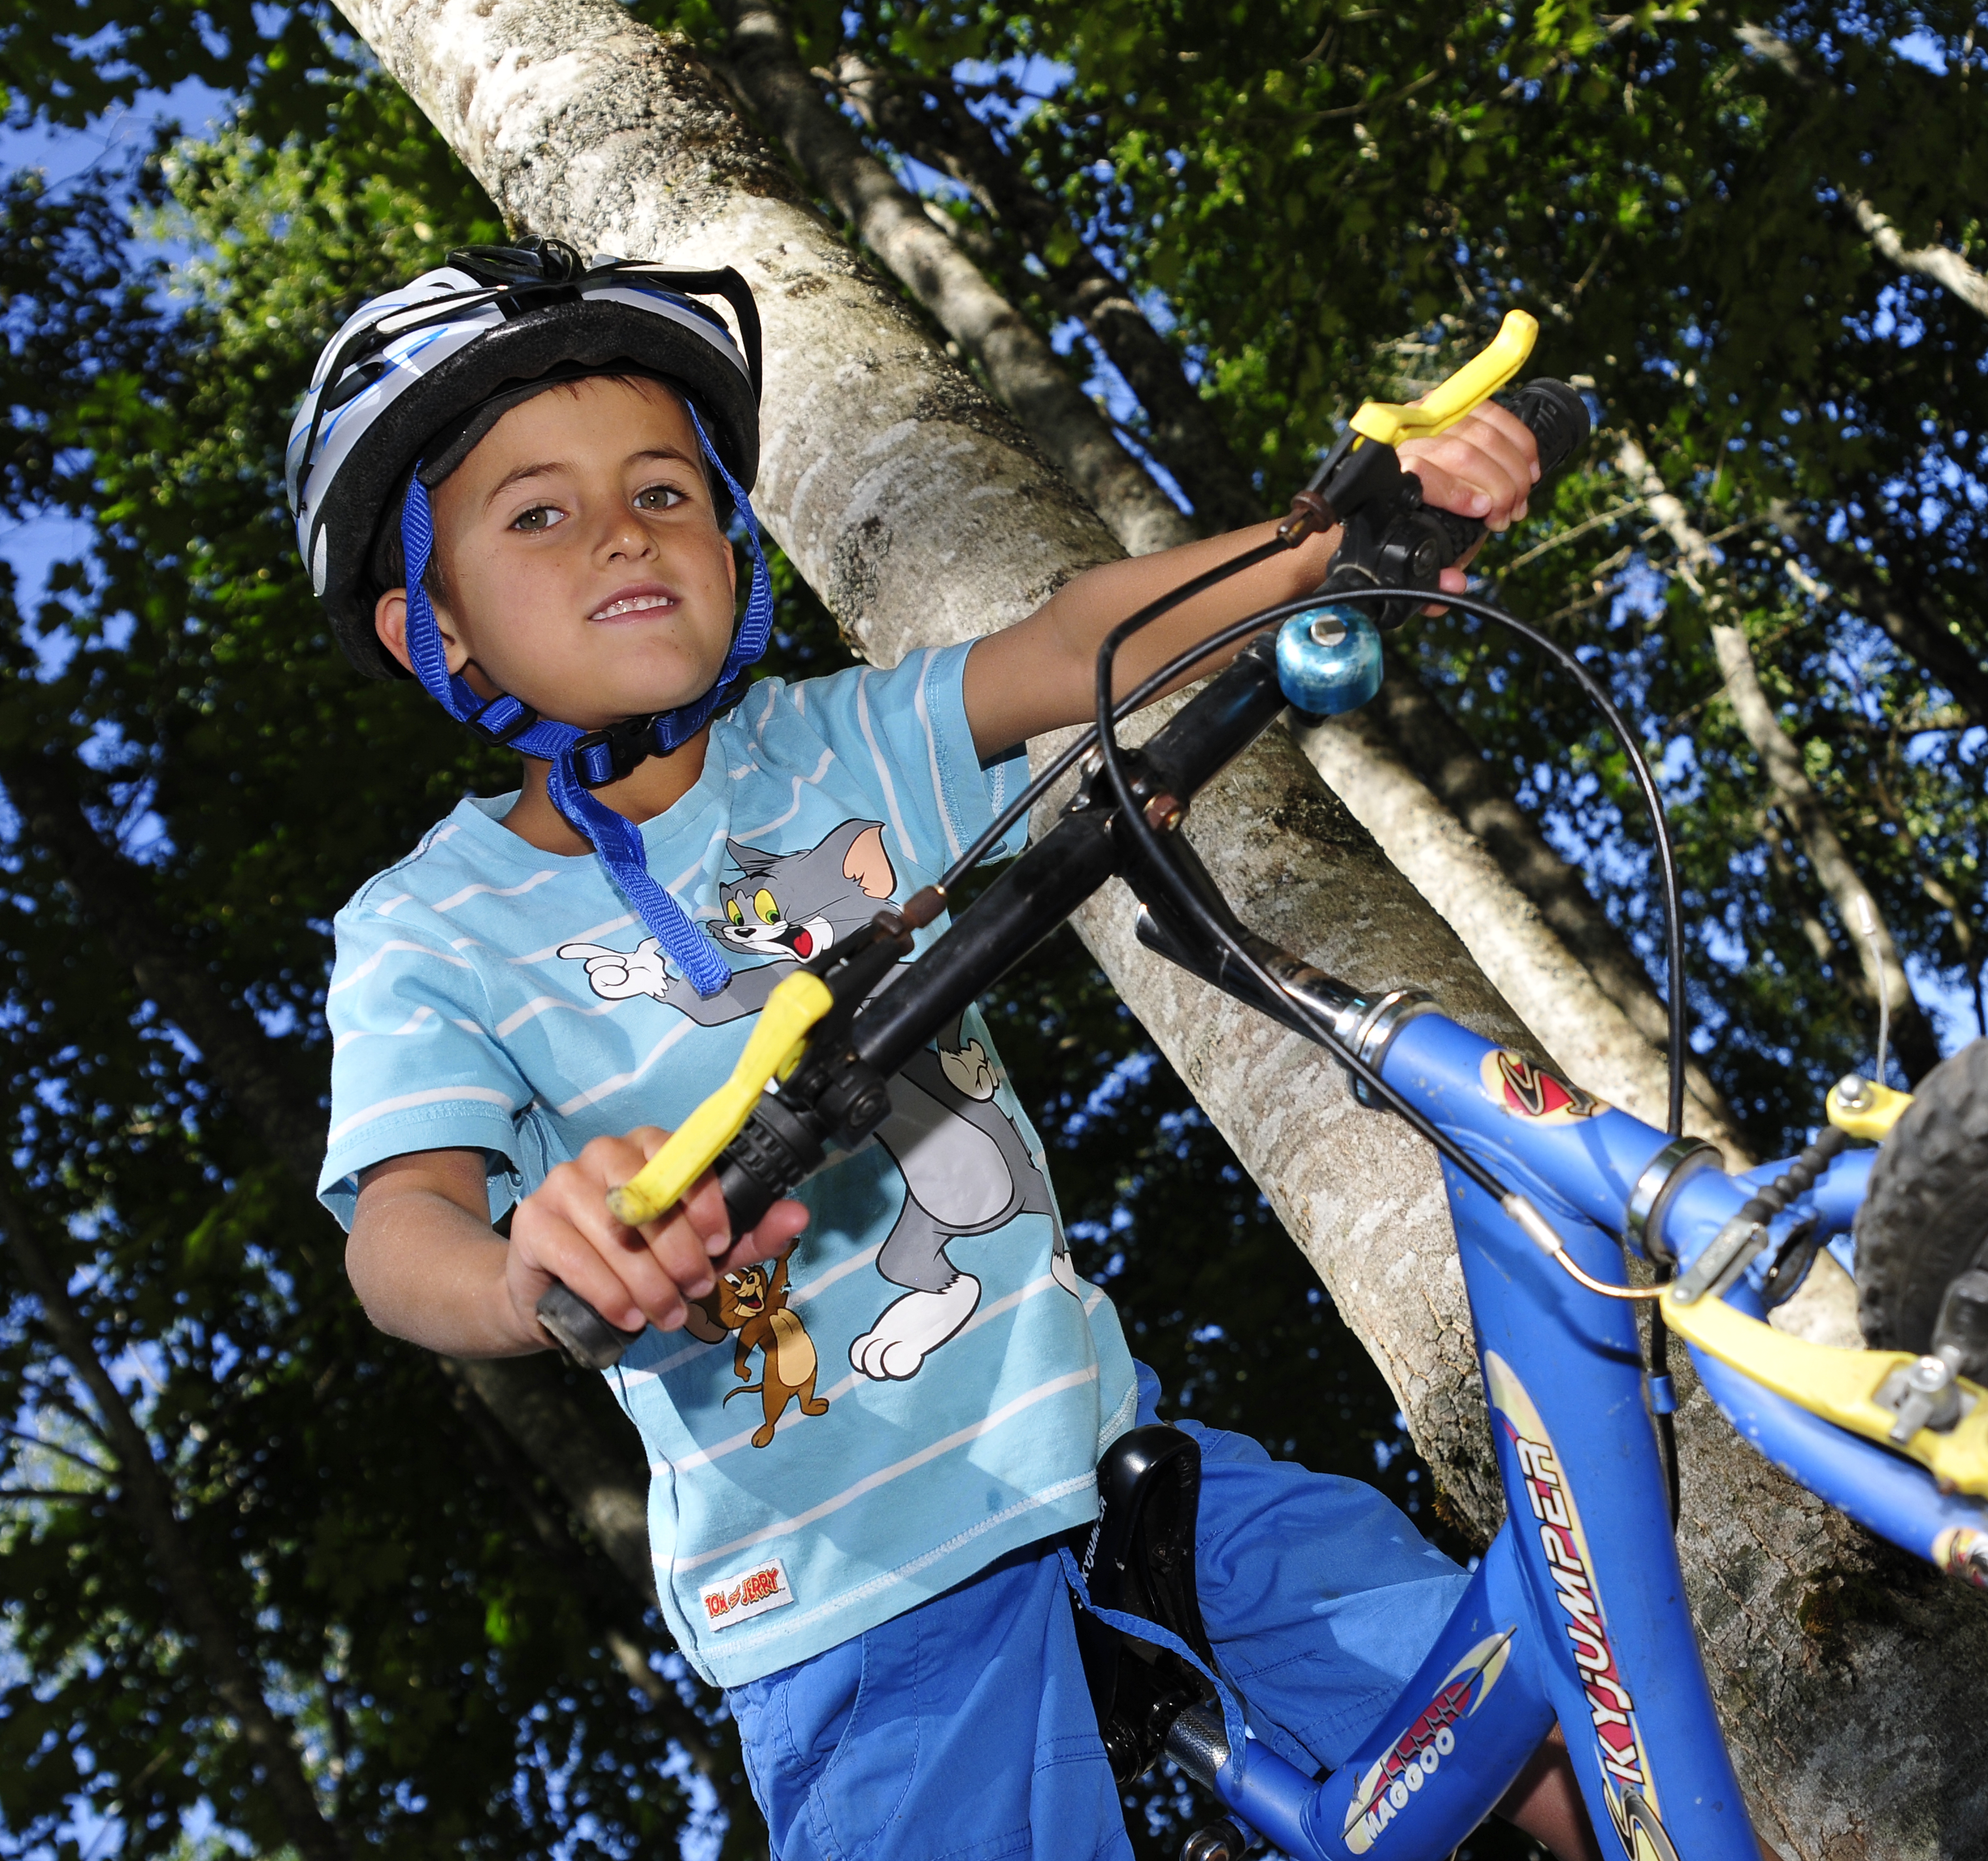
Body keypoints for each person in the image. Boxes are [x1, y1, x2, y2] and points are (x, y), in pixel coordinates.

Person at [301, 242, 1594, 1858]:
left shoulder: (822, 748)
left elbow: (1075, 645)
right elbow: (395, 1225)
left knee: (1535, 1720)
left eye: (665, 488)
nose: (623, 529)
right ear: (435, 629)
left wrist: (1333, 541)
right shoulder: (429, 922)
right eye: (537, 513)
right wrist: (517, 1268)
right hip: (850, 1613)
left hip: (1130, 1476)